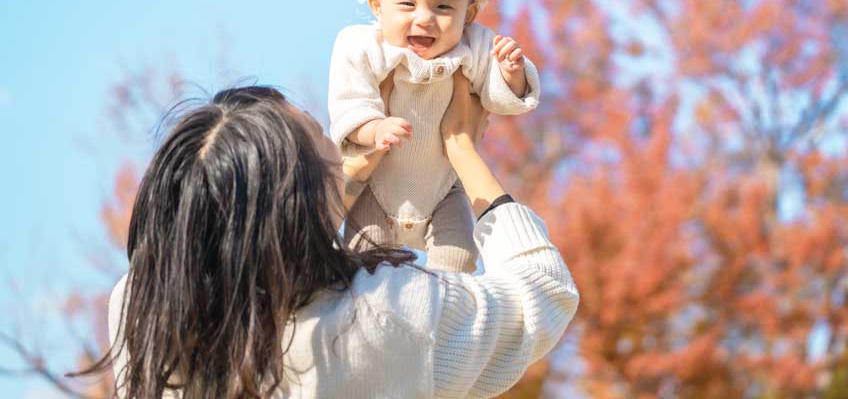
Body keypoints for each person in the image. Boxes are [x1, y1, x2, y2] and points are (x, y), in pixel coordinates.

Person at [78, 72, 577, 398]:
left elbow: (257, 250)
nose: (345, 155)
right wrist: (460, 146)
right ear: (303, 204)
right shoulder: (385, 315)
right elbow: (542, 296)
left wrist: (344, 184)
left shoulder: (142, 312)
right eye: (330, 148)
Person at [329, 0, 540, 273]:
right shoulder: (364, 46)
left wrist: (510, 73)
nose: (425, 19)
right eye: (407, 5)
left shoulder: (473, 46)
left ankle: (445, 315)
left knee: (459, 260)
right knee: (366, 267)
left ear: (468, 15)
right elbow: (350, 99)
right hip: (374, 187)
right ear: (377, 5)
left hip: (443, 189)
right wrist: (373, 129)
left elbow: (498, 98)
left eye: (443, 8)